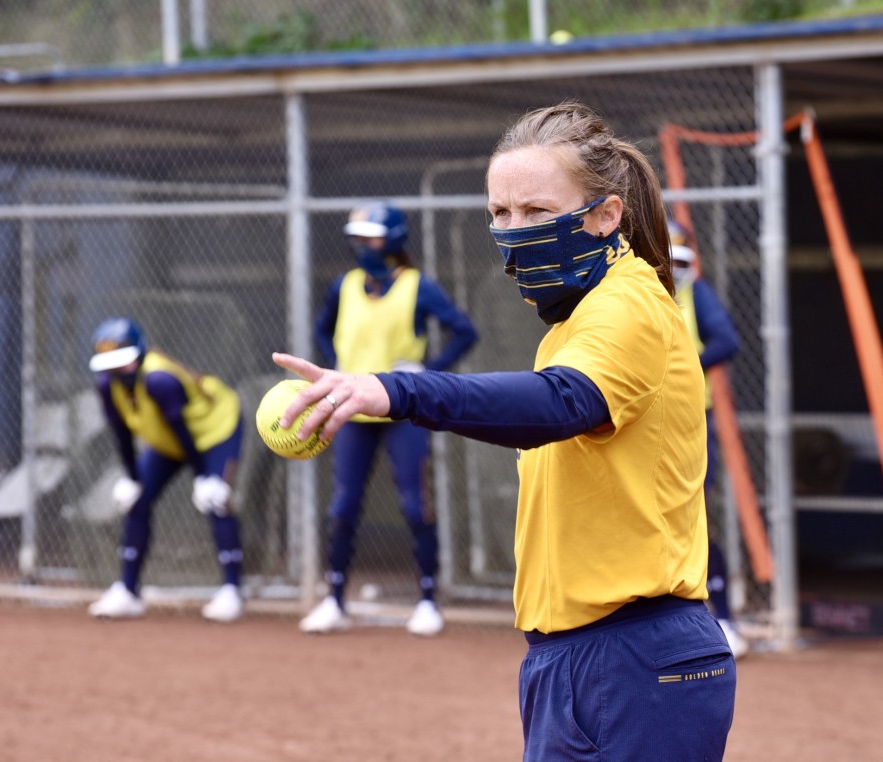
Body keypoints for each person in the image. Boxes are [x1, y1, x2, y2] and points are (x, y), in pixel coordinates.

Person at [273, 101, 736, 760]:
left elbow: (562, 403)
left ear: (606, 215)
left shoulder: (630, 302)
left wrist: (398, 389)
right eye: (501, 213)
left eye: (537, 211)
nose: (515, 232)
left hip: (637, 655)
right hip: (570, 658)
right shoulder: (573, 324)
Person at [298, 201, 478, 637]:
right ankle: (334, 599)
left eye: (371, 238)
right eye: (357, 239)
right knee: (343, 507)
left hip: (402, 409)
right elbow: (322, 328)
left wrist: (428, 373)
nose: (362, 246)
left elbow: (464, 331)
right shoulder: (345, 285)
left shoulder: (417, 286)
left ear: (393, 240)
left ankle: (428, 601)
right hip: (352, 408)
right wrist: (337, 362)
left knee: (416, 507)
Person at [86, 317, 246, 623]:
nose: (118, 371)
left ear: (139, 353)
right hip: (169, 440)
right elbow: (121, 434)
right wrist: (133, 478)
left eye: (123, 362)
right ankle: (128, 591)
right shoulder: (107, 386)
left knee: (216, 500)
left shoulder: (159, 380)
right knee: (138, 501)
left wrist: (204, 477)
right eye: (110, 365)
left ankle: (232, 590)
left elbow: (185, 433)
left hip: (214, 431)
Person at [669, 218, 748, 659]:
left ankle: (724, 619)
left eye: (681, 261)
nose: (673, 270)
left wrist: (684, 364)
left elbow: (727, 341)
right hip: (641, 426)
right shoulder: (630, 295)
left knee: (696, 518)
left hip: (690, 422)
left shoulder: (693, 293)